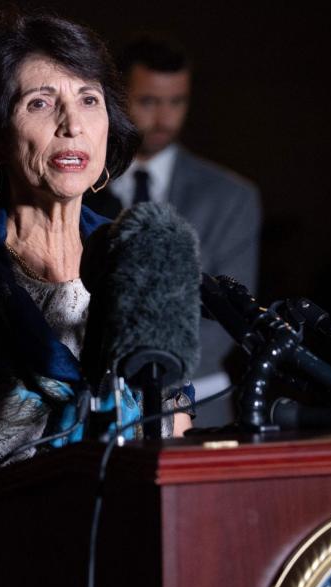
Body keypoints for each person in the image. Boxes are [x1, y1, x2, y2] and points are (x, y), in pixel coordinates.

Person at [0, 11, 193, 587]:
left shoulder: (141, 266)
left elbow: (172, 453)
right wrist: (48, 542)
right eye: (41, 103)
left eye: (90, 100)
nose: (72, 124)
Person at [83, 36, 262, 422]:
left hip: (203, 404)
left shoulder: (230, 197)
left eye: (176, 101)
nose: (164, 116)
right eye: (148, 101)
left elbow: (230, 314)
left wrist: (153, 374)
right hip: (96, 406)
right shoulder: (80, 185)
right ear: (117, 96)